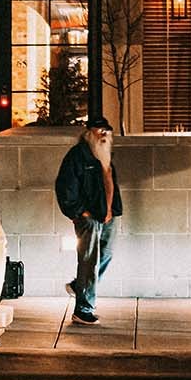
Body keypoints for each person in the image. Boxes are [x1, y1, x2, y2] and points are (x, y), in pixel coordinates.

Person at [53, 117, 123, 325]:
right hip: (89, 217)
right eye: (100, 130)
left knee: (106, 255)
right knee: (88, 261)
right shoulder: (77, 156)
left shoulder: (105, 155)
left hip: (109, 215)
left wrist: (111, 210)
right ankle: (83, 309)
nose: (104, 134)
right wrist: (79, 212)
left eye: (107, 131)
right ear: (88, 133)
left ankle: (79, 287)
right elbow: (65, 186)